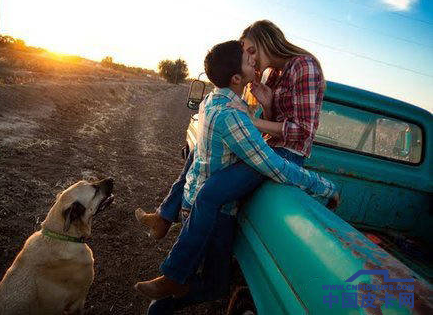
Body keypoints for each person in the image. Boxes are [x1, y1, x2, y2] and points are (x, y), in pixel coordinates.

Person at [134, 40, 339, 313]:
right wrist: (323, 186)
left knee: (215, 285)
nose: (253, 59)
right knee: (213, 285)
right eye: (248, 58)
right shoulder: (232, 116)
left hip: (193, 201)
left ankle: (166, 292)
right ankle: (164, 296)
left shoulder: (212, 100)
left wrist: (266, 107)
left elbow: (240, 137)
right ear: (236, 78)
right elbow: (273, 165)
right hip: (217, 215)